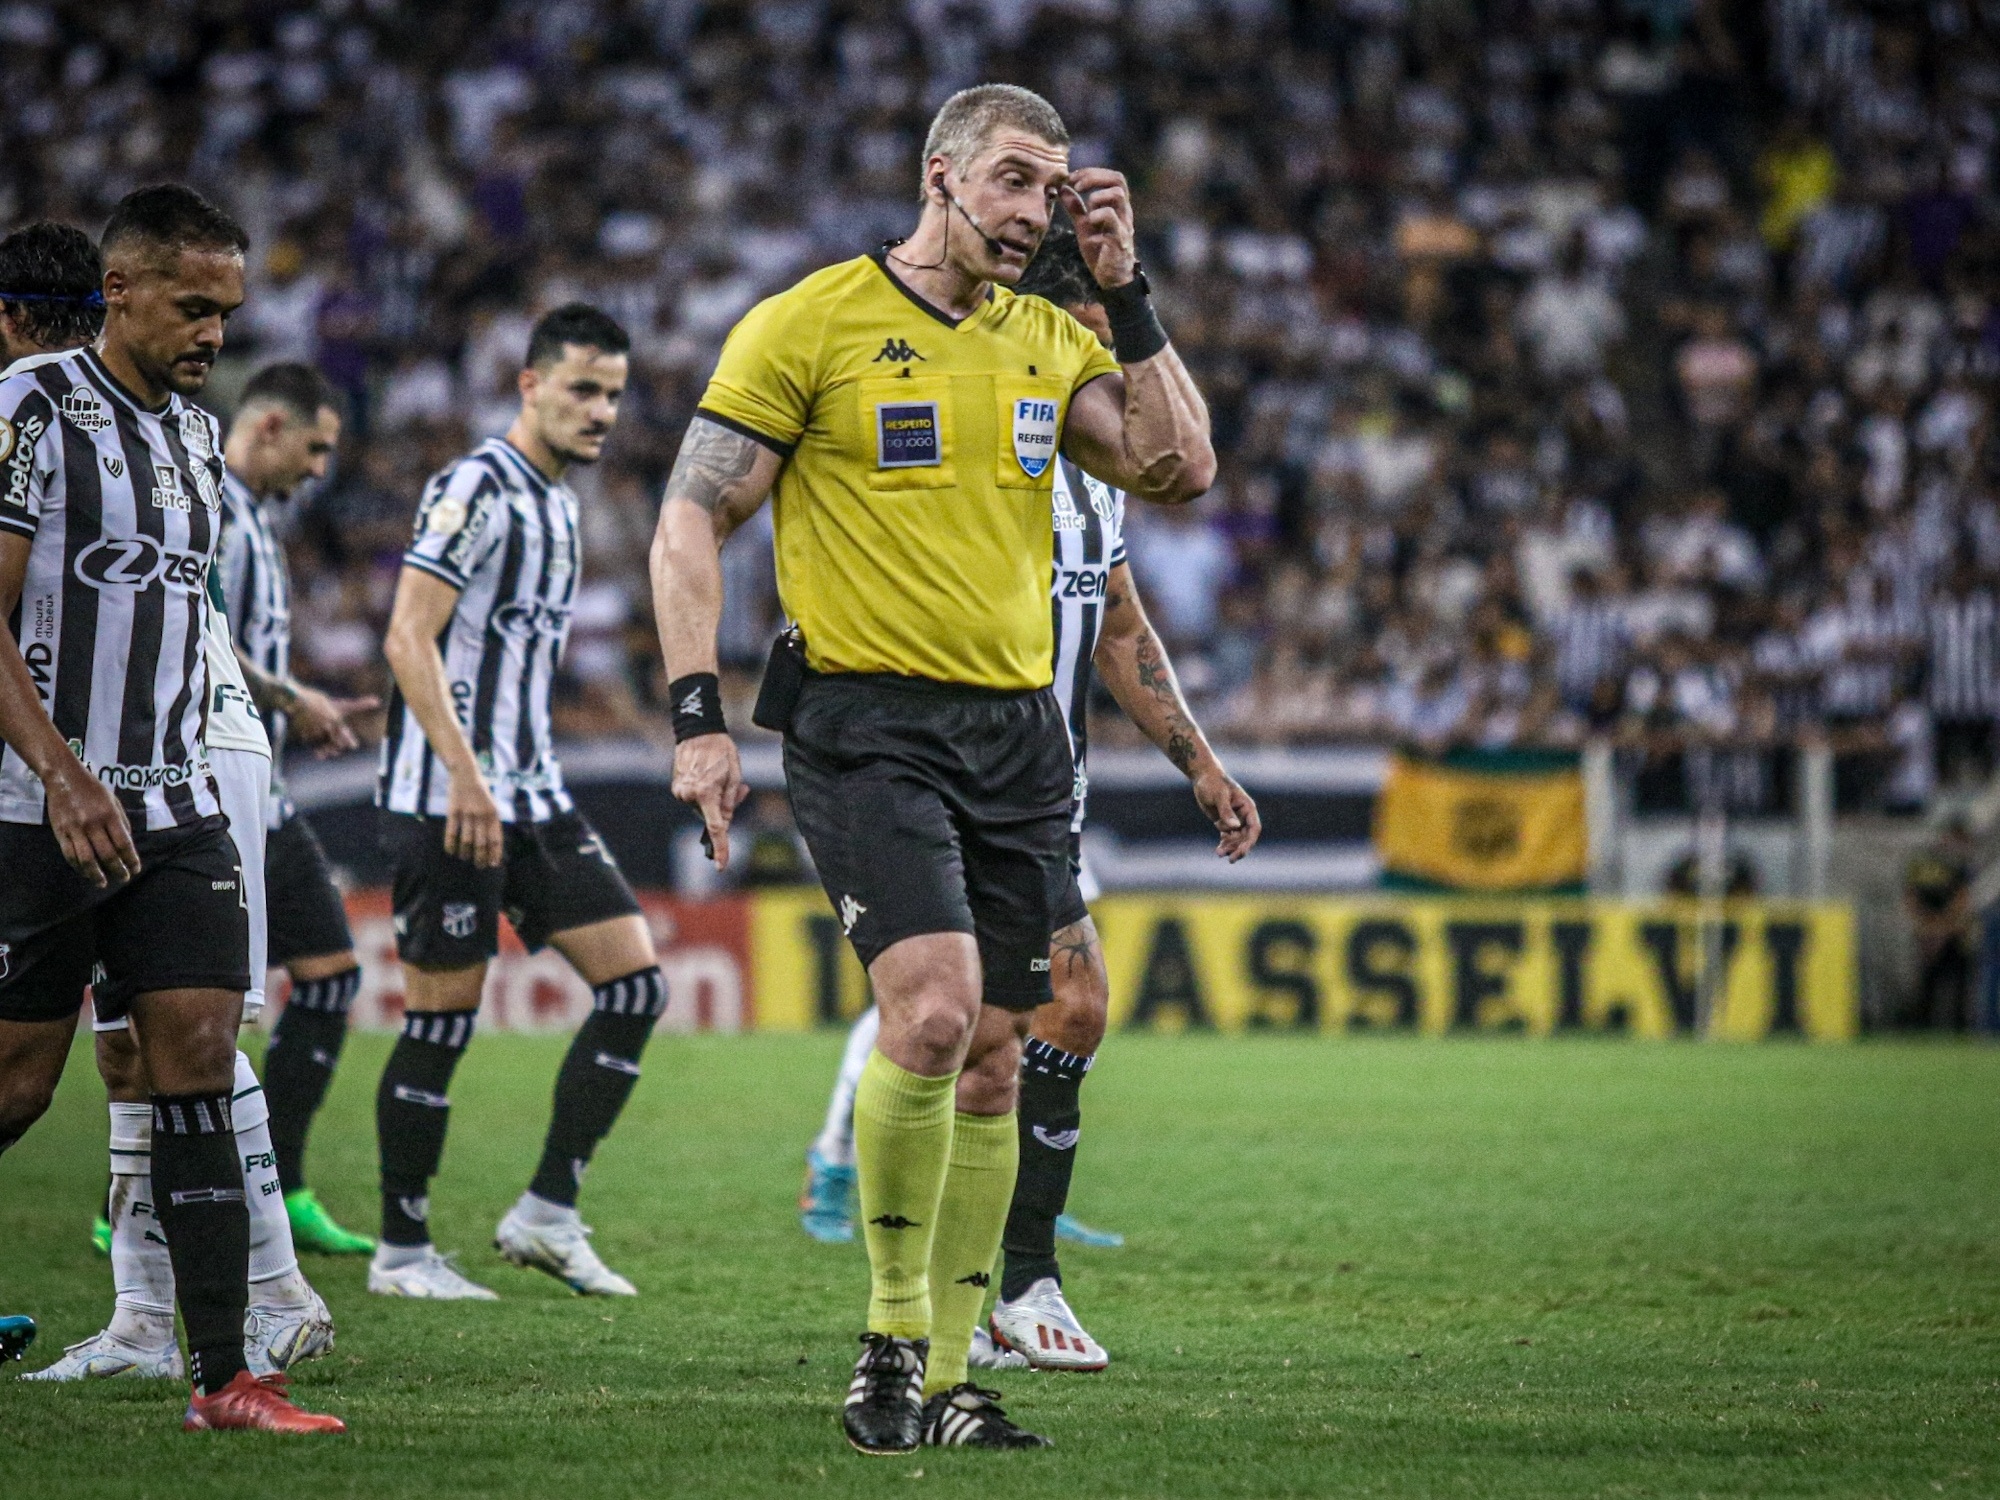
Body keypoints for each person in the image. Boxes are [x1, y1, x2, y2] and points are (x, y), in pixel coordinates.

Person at [649, 83, 1217, 1453]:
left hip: (1018, 738)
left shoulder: (1044, 340)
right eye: (1018, 182)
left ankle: (958, 1376)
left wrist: (1128, 287)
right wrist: (697, 717)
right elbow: (689, 519)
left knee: (996, 1062)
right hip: (865, 726)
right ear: (940, 176)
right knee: (931, 1013)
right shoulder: (810, 323)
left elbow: (1178, 465)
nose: (1039, 215)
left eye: (1058, 190)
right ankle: (889, 1349)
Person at [798, 224, 1260, 1379]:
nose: (1115, 385)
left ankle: (968, 1301)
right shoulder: (972, 464)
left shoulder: (1096, 486)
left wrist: (1197, 759)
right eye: (1098, 351)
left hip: (1036, 793)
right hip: (942, 778)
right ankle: (998, 1288)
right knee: (1038, 1009)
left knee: (1018, 1029)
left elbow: (1116, 627)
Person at [0, 186, 341, 1432]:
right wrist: (59, 772)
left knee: (195, 1059)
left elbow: (181, 625)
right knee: (20, 1089)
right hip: (42, 809)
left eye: (228, 312)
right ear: (121, 292)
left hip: (177, 803)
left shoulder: (197, 441)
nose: (212, 332)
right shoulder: (29, 411)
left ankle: (225, 1378)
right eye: (192, 308)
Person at [370, 303, 666, 1301]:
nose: (601, 411)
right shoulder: (473, 487)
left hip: (535, 795)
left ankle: (546, 1212)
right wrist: (462, 772)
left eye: (614, 395)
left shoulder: (560, 505)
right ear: (529, 384)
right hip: (450, 798)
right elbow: (408, 637)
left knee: (634, 988)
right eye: (583, 388)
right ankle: (402, 1251)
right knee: (441, 1023)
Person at [215, 362, 379, 1257]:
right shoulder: (214, 511)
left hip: (263, 794)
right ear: (269, 425)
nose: (320, 470)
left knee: (326, 978)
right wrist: (294, 700)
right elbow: (199, 640)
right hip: (212, 791)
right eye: (313, 448)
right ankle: (136, 1205)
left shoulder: (260, 518)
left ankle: (281, 1182)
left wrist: (293, 698)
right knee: (194, 1013)